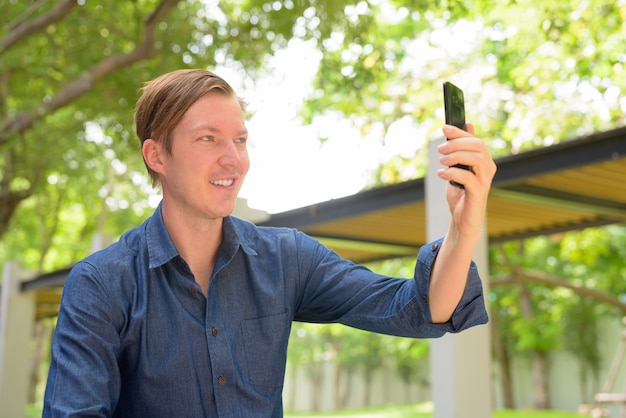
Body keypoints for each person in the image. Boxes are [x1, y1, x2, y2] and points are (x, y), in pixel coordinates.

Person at [43, 69, 497, 417]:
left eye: (240, 139)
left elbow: (422, 309)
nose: (233, 159)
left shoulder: (287, 259)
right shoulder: (102, 284)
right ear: (156, 155)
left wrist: (464, 227)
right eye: (208, 139)